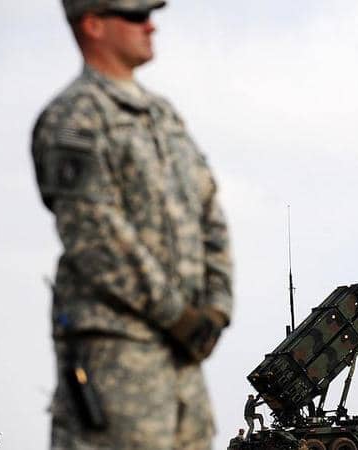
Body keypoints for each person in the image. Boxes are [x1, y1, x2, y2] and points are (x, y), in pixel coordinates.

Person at [31, 1, 233, 449]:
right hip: (117, 361)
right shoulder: (73, 119)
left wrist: (217, 308)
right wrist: (180, 317)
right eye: (136, 16)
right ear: (93, 24)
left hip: (184, 367)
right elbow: (96, 235)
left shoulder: (165, 117)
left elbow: (210, 211)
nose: (151, 26)